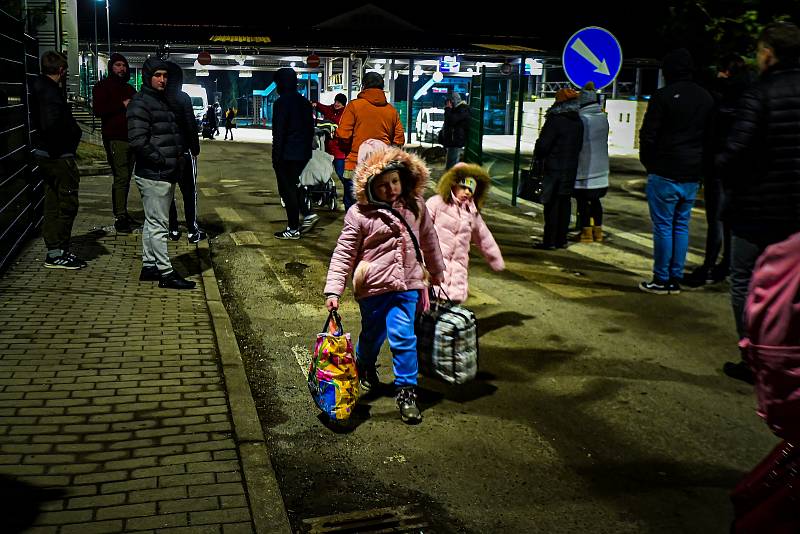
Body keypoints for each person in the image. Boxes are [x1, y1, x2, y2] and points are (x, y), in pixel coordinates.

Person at [324, 144, 444, 424]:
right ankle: (364, 364)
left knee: (404, 338)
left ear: (403, 177)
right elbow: (344, 252)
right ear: (369, 186)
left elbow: (429, 240)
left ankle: (406, 391)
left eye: (394, 181)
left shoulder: (416, 206)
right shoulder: (360, 214)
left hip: (407, 286)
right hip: (373, 288)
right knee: (372, 335)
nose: (390, 189)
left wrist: (437, 272)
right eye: (382, 185)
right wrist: (334, 288)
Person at [715, 22, 800, 383]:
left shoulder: (760, 92)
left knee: (745, 282)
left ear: (767, 53)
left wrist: (723, 171)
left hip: (758, 212)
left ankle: (754, 358)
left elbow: (736, 151)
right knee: (792, 291)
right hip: (796, 217)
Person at [638, 48, 714, 295]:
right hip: (692, 173)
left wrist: (650, 164)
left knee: (663, 226)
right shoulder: (707, 98)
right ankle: (675, 276)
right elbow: (711, 138)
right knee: (681, 225)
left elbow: (648, 135)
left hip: (665, 171)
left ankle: (661, 279)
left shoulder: (663, 96)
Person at [683, 54, 753, 288]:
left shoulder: (721, 97)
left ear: (726, 72)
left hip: (719, 167)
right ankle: (727, 265)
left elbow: (712, 133)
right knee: (731, 221)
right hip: (743, 170)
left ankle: (709, 267)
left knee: (716, 220)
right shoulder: (751, 94)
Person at [127, 56, 194, 290]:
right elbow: (137, 141)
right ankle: (166, 273)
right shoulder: (142, 103)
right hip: (155, 173)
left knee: (151, 222)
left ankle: (149, 266)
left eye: (165, 76)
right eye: (157, 75)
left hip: (159, 172)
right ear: (148, 77)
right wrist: (163, 161)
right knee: (159, 225)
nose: (162, 80)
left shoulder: (157, 100)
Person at [29, 51, 85, 269]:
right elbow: (52, 125)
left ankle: (54, 250)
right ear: (61, 70)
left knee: (52, 201)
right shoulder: (50, 93)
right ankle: (59, 250)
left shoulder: (38, 87)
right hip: (58, 155)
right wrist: (69, 142)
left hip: (46, 153)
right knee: (67, 203)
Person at [426, 162, 504, 303]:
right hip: (435, 263)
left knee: (452, 300)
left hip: (458, 265)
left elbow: (484, 237)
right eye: (463, 187)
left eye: (471, 189)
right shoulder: (436, 203)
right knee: (431, 300)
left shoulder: (471, 212)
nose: (467, 192)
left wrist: (495, 259)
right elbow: (421, 228)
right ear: (453, 185)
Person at [532, 87, 584, 250]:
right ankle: (562, 240)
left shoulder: (555, 120)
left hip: (553, 169)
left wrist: (538, 152)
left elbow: (543, 145)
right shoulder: (578, 122)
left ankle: (549, 241)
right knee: (564, 204)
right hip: (570, 168)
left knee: (551, 205)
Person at [335, 72, 405, 191]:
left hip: (355, 166)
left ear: (363, 86)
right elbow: (399, 140)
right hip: (381, 168)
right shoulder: (391, 111)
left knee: (354, 207)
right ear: (382, 88)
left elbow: (343, 135)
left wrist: (348, 151)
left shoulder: (354, 106)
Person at [92, 52, 137, 234]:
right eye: (118, 65)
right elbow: (99, 110)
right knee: (121, 176)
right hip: (115, 138)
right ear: (111, 67)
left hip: (132, 137)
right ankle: (120, 215)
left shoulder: (129, 88)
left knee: (126, 177)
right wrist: (122, 104)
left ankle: (123, 213)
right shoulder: (102, 87)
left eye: (124, 65)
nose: (122, 68)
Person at [272, 68, 317, 239]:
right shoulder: (304, 102)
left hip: (287, 154)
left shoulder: (281, 103)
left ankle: (293, 228)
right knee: (295, 185)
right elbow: (310, 129)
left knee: (287, 190)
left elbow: (279, 132)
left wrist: (275, 157)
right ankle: (308, 213)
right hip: (303, 154)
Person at [165, 61, 205, 244]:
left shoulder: (159, 97)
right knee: (189, 192)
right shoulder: (182, 98)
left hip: (164, 154)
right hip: (183, 153)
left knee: (168, 194)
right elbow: (190, 125)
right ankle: (192, 230)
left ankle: (172, 229)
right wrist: (195, 148)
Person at [573, 82, 609, 243]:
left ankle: (586, 234)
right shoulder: (603, 118)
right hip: (601, 170)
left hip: (584, 169)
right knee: (595, 202)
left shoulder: (581, 119)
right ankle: (598, 233)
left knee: (582, 202)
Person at [313, 93, 352, 210]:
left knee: (342, 175)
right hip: (325, 150)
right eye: (336, 101)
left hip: (339, 151)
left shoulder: (347, 115)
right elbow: (320, 106)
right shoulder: (329, 109)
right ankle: (319, 194)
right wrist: (313, 104)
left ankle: (349, 200)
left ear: (343, 104)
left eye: (339, 102)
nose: (336, 104)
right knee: (320, 173)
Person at [440, 92, 470, 170]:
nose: (447, 103)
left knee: (451, 166)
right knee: (450, 164)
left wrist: (448, 109)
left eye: (448, 101)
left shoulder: (462, 109)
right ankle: (451, 179)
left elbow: (450, 121)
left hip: (455, 141)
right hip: (452, 141)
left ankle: (452, 180)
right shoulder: (455, 109)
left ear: (453, 101)